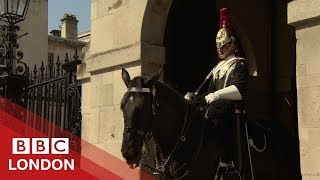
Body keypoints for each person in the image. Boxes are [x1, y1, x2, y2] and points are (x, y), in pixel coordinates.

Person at [184, 8, 248, 179]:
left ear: (232, 44)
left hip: (232, 109)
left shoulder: (239, 64)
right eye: (218, 45)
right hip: (217, 105)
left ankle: (226, 161)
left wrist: (218, 95)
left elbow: (239, 90)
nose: (220, 48)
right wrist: (194, 99)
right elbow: (209, 93)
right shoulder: (217, 68)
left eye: (224, 44)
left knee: (216, 111)